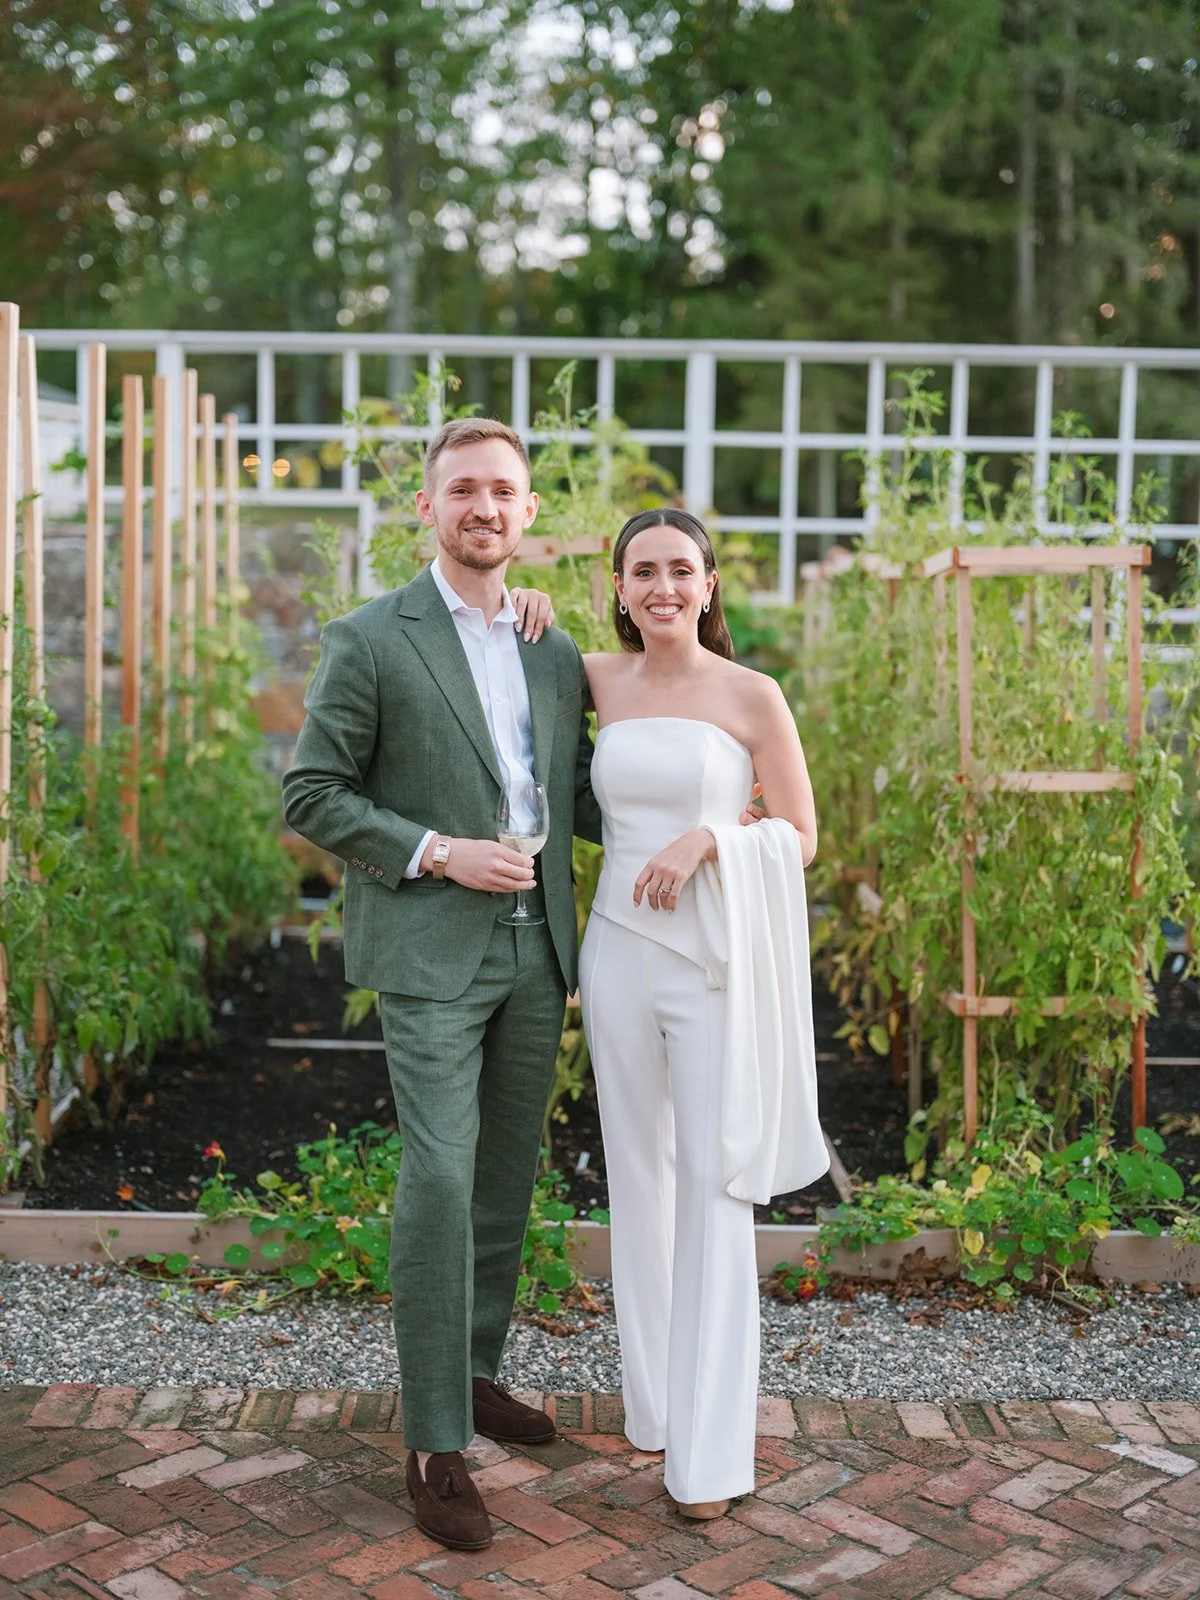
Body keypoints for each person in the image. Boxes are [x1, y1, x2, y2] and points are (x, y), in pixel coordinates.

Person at [282, 417, 603, 1554]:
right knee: (439, 1175)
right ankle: (431, 1440)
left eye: (503, 490)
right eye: (463, 488)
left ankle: (472, 1373)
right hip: (429, 948)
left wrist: (709, 807)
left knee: (505, 1177)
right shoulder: (372, 637)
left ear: (528, 510)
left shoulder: (551, 646)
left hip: (536, 947)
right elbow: (312, 793)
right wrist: (437, 851)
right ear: (429, 506)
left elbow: (579, 790)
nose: (485, 507)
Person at [579, 507, 828, 1518]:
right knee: (637, 1178)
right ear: (620, 587)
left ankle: (711, 1460)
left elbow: (801, 834)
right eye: (643, 571)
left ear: (710, 584)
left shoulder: (751, 693)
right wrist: (529, 602)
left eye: (681, 570)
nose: (663, 587)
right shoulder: (594, 678)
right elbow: (498, 652)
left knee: (714, 1183)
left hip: (711, 957)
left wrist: (714, 838)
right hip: (616, 952)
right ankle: (656, 1408)